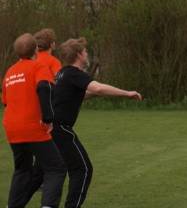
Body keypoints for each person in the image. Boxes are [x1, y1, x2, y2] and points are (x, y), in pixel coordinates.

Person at [52, 37, 142, 208]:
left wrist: (98, 93)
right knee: (83, 169)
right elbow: (98, 88)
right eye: (85, 51)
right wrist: (127, 93)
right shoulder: (73, 73)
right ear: (79, 55)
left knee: (40, 174)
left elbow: (77, 95)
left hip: (52, 129)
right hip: (61, 129)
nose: (87, 54)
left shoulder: (63, 73)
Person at [2, 33, 66, 208]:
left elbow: (6, 101)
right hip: (32, 127)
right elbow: (44, 87)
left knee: (22, 170)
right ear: (36, 49)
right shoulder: (38, 66)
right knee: (56, 168)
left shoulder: (10, 72)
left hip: (12, 128)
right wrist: (48, 118)